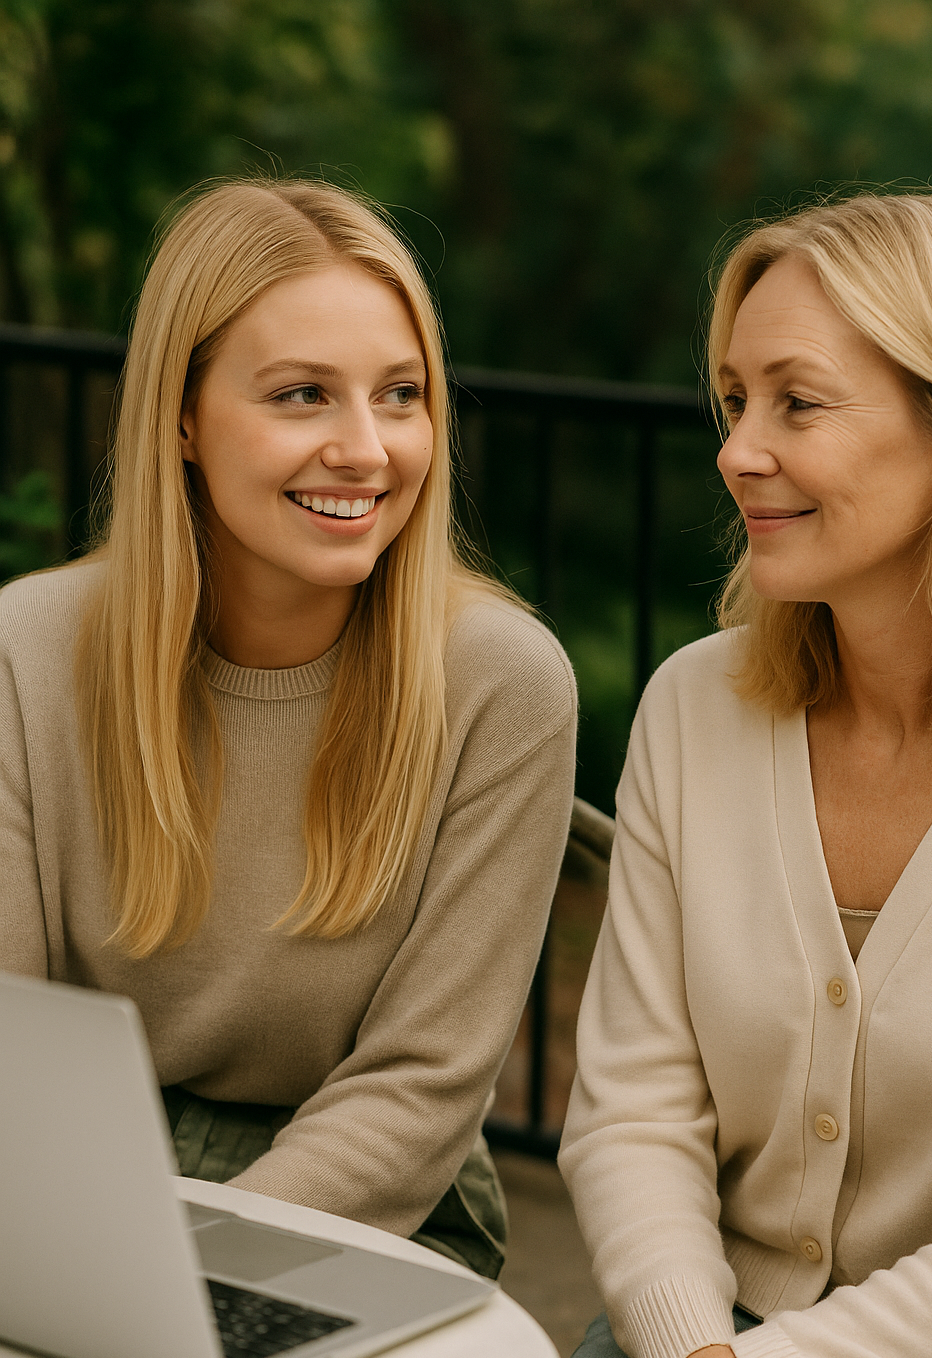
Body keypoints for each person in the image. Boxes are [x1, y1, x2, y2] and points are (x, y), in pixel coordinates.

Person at [530, 190, 932, 1358]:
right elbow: (633, 1115)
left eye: (796, 405)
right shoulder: (696, 709)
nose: (738, 450)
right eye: (732, 400)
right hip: (703, 1323)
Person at [0, 178, 576, 1281]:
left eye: (400, 394)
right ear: (181, 413)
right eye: (303, 394)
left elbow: (419, 1088)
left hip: (374, 1195)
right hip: (77, 1174)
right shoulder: (26, 651)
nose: (365, 449)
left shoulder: (504, 684)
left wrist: (172, 1271)